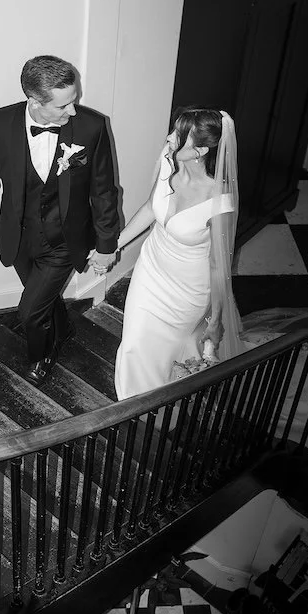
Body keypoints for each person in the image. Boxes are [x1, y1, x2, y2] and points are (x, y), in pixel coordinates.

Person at [0, 55, 119, 386]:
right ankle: (63, 328)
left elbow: (104, 191)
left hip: (64, 240)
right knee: (43, 301)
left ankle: (42, 355)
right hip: (18, 239)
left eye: (74, 101)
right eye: (64, 106)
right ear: (35, 101)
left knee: (30, 312)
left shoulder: (91, 127)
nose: (72, 111)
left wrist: (106, 245)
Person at [115, 107, 244, 400]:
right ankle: (129, 403)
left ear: (200, 150)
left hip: (187, 289)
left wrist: (216, 319)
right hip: (151, 270)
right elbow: (151, 207)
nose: (170, 138)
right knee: (134, 341)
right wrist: (114, 246)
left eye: (178, 135)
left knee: (163, 348)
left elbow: (219, 266)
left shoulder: (219, 202)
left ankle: (158, 398)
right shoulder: (167, 162)